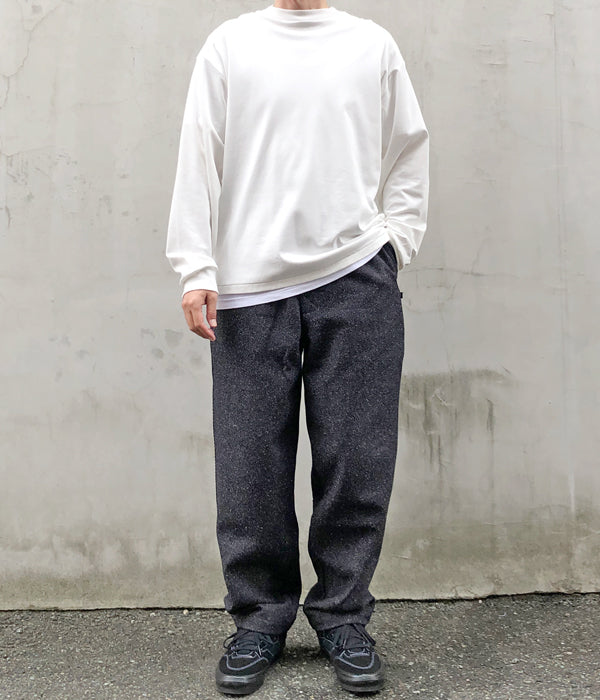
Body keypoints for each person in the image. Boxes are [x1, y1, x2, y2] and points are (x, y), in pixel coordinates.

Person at [166, 0, 429, 695]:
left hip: (356, 278)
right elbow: (198, 152)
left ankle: (343, 615)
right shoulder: (231, 45)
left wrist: (396, 243)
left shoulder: (370, 45)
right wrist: (195, 268)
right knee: (249, 463)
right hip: (249, 287)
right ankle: (259, 619)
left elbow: (409, 147)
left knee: (358, 459)